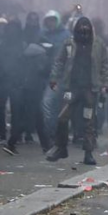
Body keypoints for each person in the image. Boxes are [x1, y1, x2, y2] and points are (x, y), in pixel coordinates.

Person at [46, 17, 108, 166]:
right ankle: (61, 147)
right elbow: (59, 61)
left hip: (90, 89)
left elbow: (105, 65)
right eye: (81, 27)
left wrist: (105, 83)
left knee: (89, 121)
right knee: (62, 117)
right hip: (71, 87)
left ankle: (88, 153)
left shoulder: (98, 44)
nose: (84, 31)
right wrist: (54, 78)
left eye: (86, 27)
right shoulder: (69, 42)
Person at [4, 35, 53, 155]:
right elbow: (44, 71)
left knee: (34, 118)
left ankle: (46, 146)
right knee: (31, 119)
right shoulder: (42, 56)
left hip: (22, 89)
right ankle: (11, 142)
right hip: (34, 90)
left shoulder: (26, 54)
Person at [40, 10, 71, 143]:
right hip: (42, 74)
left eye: (53, 20)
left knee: (52, 104)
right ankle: (50, 133)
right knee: (48, 105)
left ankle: (55, 133)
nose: (51, 23)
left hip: (60, 76)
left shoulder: (66, 35)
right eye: (48, 20)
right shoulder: (42, 34)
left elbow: (69, 56)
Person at [0, 20, 25, 145]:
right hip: (3, 81)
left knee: (16, 110)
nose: (12, 32)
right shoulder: (1, 44)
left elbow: (25, 64)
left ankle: (15, 135)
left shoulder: (22, 45)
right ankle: (2, 134)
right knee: (1, 108)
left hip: (15, 81)